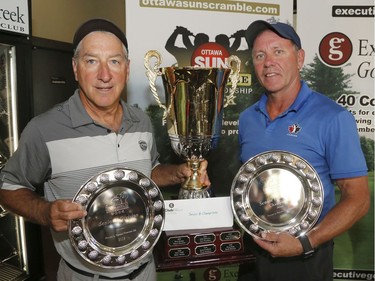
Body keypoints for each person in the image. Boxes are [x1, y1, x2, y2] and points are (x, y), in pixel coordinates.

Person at [0, 18, 210, 281]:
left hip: (145, 272)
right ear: (75, 68)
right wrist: (45, 212)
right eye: (91, 61)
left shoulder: (141, 122)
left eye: (114, 61)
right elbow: (8, 189)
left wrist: (180, 172)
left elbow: (148, 172)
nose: (104, 75)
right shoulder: (44, 129)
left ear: (127, 68)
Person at [237, 20, 370, 281]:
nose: (268, 62)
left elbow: (359, 199)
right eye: (259, 55)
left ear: (299, 59)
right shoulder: (246, 119)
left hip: (305, 257)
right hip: (252, 252)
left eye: (278, 51)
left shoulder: (332, 117)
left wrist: (305, 242)